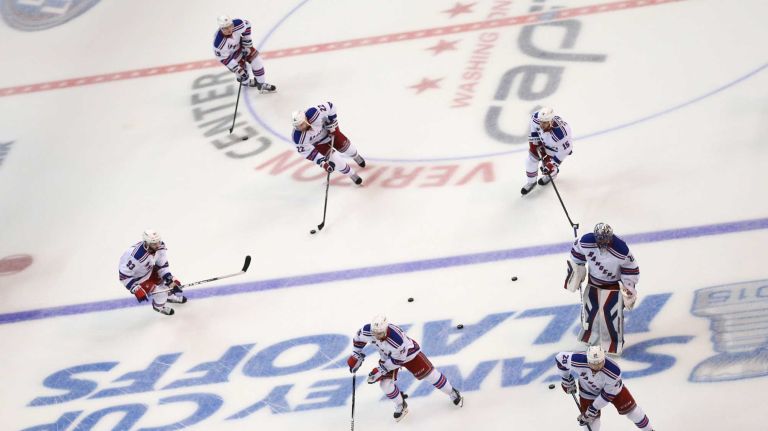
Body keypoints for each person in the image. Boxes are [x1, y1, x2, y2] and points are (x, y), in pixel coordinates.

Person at [347, 315, 463, 421]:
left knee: (430, 375)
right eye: (375, 332)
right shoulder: (367, 330)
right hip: (387, 357)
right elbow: (358, 339)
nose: (377, 335)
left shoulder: (396, 340)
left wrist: (380, 370)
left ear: (386, 329)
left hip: (409, 355)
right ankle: (401, 405)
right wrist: (356, 355)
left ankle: (452, 392)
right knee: (385, 385)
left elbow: (398, 361)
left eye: (380, 333)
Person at [564, 223, 640, 355]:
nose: (603, 242)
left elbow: (631, 268)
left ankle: (611, 343)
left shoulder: (621, 250)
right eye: (600, 238)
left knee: (610, 314)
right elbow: (577, 252)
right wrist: (577, 270)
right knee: (590, 311)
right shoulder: (586, 241)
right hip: (593, 283)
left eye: (605, 239)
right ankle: (589, 337)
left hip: (612, 287)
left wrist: (628, 286)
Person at [556, 345, 655, 431]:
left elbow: (607, 395)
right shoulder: (577, 360)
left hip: (613, 391)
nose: (597, 366)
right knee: (592, 422)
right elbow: (560, 358)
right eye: (593, 363)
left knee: (634, 412)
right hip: (588, 391)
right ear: (588, 359)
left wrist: (592, 409)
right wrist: (566, 378)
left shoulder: (613, 371)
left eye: (599, 362)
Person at [292, 101, 366, 185]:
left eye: (301, 125)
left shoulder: (314, 113)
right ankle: (352, 175)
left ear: (305, 119)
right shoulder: (298, 137)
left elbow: (331, 106)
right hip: (319, 144)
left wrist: (332, 121)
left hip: (330, 132)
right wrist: (323, 163)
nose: (299, 128)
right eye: (297, 126)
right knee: (337, 160)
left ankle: (356, 156)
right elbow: (307, 152)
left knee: (349, 149)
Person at [118, 230, 186, 316]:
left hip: (148, 269)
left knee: (168, 284)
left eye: (158, 242)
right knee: (160, 294)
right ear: (147, 243)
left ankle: (169, 296)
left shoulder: (160, 246)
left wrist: (169, 280)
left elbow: (162, 266)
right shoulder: (137, 257)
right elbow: (123, 276)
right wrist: (136, 289)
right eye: (154, 244)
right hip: (138, 279)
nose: (157, 245)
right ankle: (159, 307)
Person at [213, 15, 276, 93]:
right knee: (243, 76)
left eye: (230, 26)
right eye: (226, 28)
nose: (229, 29)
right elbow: (223, 58)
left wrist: (247, 40)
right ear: (221, 28)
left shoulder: (237, 24)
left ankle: (261, 84)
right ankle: (246, 82)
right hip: (232, 56)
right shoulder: (218, 43)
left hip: (242, 46)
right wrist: (238, 69)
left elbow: (248, 24)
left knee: (257, 61)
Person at [521, 107, 574, 195]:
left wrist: (552, 164)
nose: (541, 125)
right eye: (541, 122)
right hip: (543, 142)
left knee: (546, 167)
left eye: (545, 123)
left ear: (551, 121)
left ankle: (552, 174)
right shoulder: (537, 119)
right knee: (531, 159)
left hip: (555, 149)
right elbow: (534, 128)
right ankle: (531, 182)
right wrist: (535, 144)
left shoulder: (560, 133)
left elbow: (566, 150)